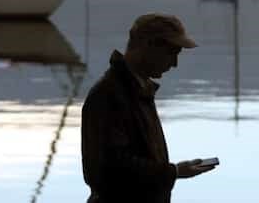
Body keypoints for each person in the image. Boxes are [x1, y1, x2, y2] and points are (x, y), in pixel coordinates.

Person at [81, 13, 216, 203]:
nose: (175, 64)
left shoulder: (137, 90)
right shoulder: (108, 95)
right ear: (150, 45)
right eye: (173, 53)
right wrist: (174, 172)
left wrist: (174, 172)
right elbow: (108, 169)